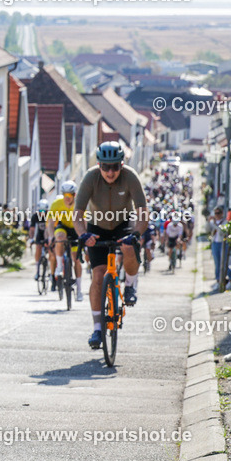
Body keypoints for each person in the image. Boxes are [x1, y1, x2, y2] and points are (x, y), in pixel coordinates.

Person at [76, 141, 146, 349]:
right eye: (105, 167)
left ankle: (131, 284)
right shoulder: (90, 177)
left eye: (115, 166)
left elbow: (143, 213)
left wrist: (135, 234)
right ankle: (97, 328)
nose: (110, 171)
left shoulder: (130, 177)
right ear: (99, 165)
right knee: (98, 276)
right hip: (96, 227)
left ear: (121, 165)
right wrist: (83, 235)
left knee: (128, 247)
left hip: (123, 224)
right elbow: (77, 215)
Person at [46, 182, 83, 301]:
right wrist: (51, 237)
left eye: (70, 195)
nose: (67, 198)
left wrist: (84, 236)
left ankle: (79, 289)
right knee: (59, 238)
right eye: (65, 195)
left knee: (76, 259)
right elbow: (51, 223)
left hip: (76, 228)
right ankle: (59, 265)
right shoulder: (57, 204)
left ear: (74, 194)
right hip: (63, 227)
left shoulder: (80, 204)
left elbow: (85, 222)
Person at [208, 207, 226, 285]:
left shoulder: (225, 222)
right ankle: (218, 279)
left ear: (222, 213)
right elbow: (207, 230)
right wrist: (208, 222)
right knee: (217, 263)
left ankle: (228, 278)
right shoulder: (212, 222)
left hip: (223, 243)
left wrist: (215, 224)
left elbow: (221, 231)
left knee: (224, 262)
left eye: (218, 213)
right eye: (215, 213)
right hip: (215, 243)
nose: (217, 215)